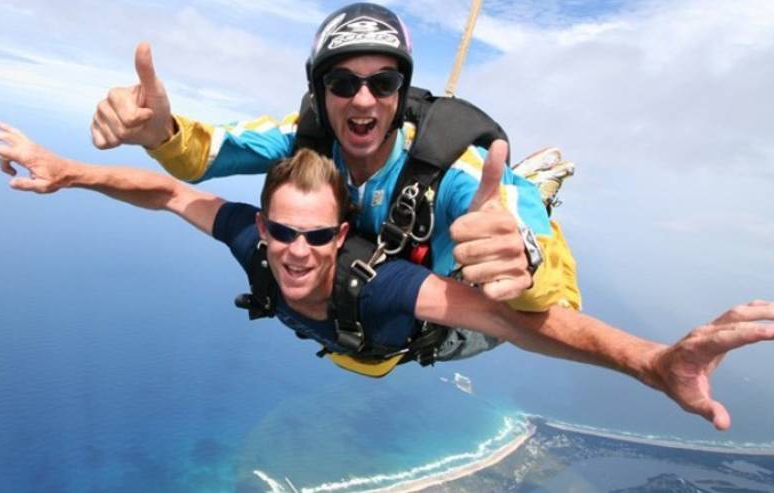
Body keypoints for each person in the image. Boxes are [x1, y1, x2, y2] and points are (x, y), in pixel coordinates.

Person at [0, 121, 774, 431]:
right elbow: (168, 192)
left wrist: (651, 362)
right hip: (364, 343)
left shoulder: (383, 285)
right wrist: (68, 171)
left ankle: (532, 191)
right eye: (282, 232)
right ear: (263, 226)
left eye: (317, 235)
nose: (296, 251)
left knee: (496, 274)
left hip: (439, 334)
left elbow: (516, 324)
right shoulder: (252, 242)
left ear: (341, 237)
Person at [87, 3, 580, 360]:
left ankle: (533, 184)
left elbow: (557, 307)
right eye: (342, 83)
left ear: (400, 94)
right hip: (366, 310)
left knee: (505, 296)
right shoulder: (307, 137)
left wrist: (526, 263)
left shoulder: (454, 168)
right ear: (319, 93)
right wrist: (162, 135)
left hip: (445, 317)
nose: (363, 100)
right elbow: (213, 152)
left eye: (383, 83)